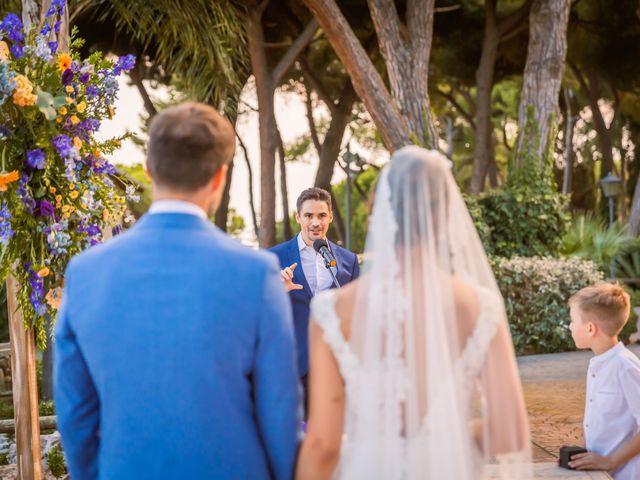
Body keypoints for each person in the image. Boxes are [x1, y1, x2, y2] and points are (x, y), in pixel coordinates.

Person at [54, 102, 300, 480]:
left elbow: (74, 412)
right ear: (219, 178)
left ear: (150, 169)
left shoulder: (86, 273)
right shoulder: (256, 274)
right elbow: (280, 410)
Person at [296, 146, 531, 479]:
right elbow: (510, 431)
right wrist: (440, 439)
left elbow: (323, 446)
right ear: (447, 215)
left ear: (378, 213)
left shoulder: (332, 311)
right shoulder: (481, 306)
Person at [271, 187, 359, 404]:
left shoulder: (349, 261)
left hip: (336, 364)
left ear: (330, 216)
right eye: (308, 215)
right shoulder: (273, 257)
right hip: (291, 366)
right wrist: (277, 292)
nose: (315, 223)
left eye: (321, 215)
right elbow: (255, 312)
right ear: (297, 217)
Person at [567, 282, 640, 479]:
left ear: (590, 328)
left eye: (573, 320)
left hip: (624, 474)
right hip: (600, 474)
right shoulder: (598, 363)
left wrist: (611, 461)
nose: (570, 326)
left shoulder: (625, 367)